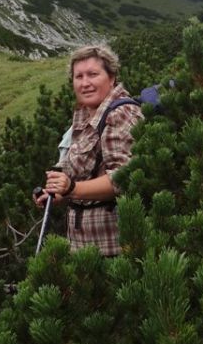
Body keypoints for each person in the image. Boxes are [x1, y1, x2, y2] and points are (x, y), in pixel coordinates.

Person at [34, 44, 143, 256]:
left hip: (115, 250)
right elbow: (86, 178)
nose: (85, 83)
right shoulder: (85, 117)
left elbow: (125, 177)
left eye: (93, 74)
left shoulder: (121, 114)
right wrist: (58, 195)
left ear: (111, 78)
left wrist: (72, 188)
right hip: (85, 249)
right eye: (79, 76)